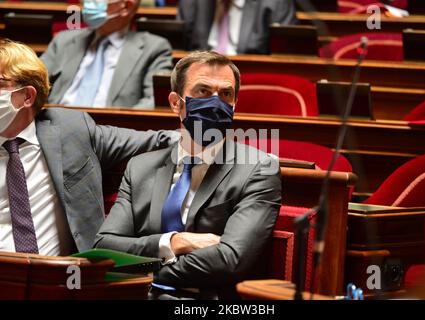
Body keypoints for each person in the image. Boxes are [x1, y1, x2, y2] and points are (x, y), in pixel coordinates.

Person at [94, 51, 282, 299]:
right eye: (203, 91)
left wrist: (137, 270)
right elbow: (104, 247)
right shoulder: (140, 167)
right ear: (176, 102)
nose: (216, 103)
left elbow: (230, 259)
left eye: (226, 94)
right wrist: (172, 242)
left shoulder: (258, 169)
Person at [0, 39, 178, 256]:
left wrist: (211, 141)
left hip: (64, 277)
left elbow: (160, 141)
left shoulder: (71, 130)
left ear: (27, 96)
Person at [41, 0, 172, 109]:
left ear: (126, 6)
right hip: (54, 126)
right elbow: (31, 83)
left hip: (110, 132)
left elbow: (153, 101)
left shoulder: (154, 48)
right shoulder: (64, 40)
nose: (88, 4)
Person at [178, 0, 298, 55]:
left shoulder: (277, 3)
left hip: (252, 84)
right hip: (201, 82)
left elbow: (286, 61)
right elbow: (178, 53)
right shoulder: (191, 2)